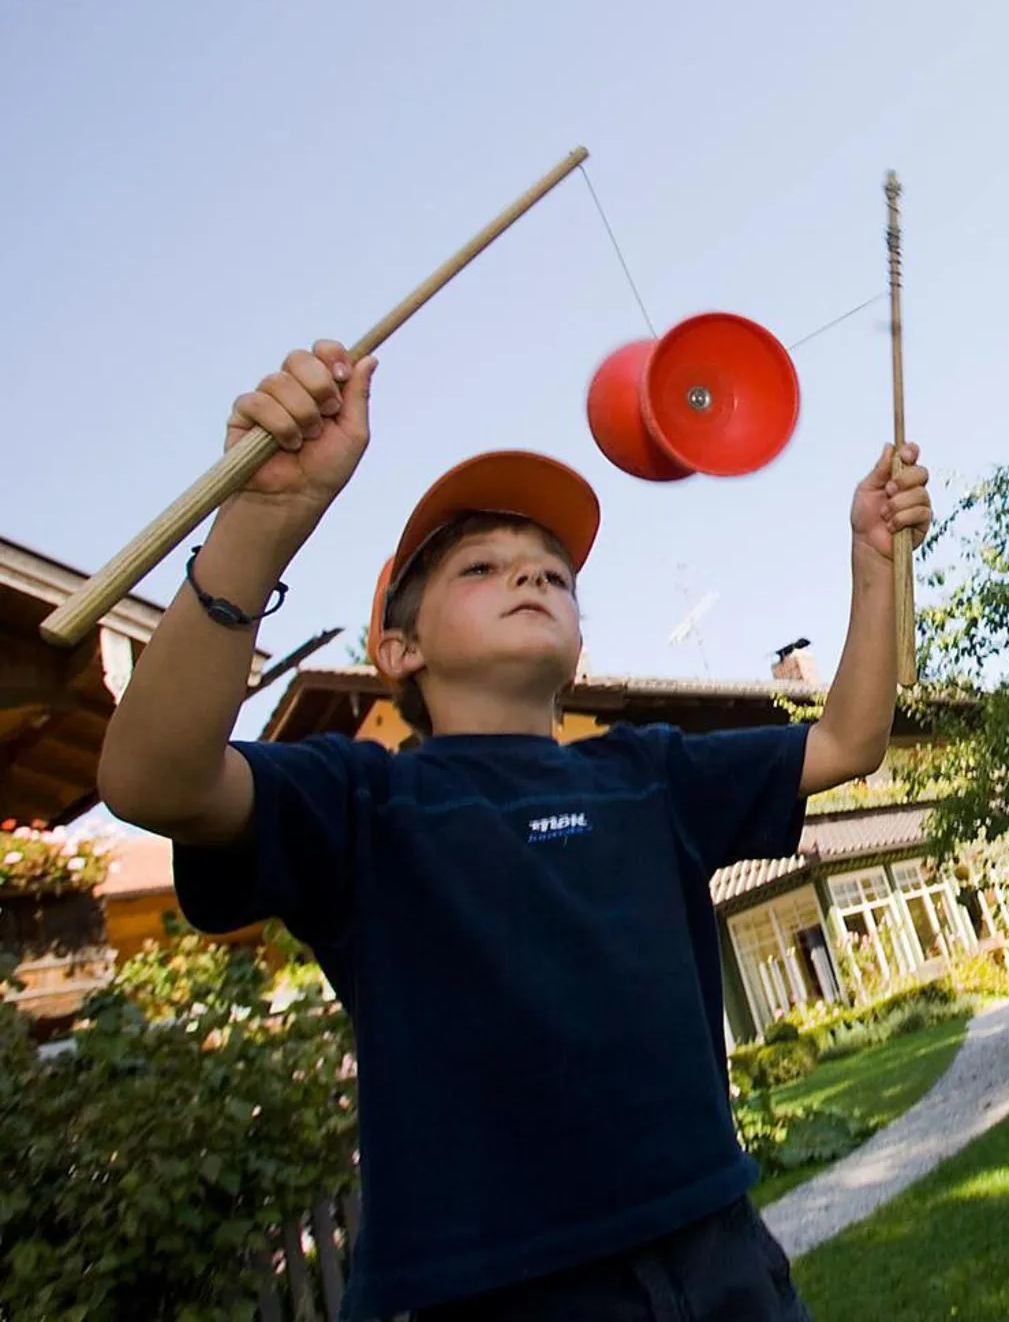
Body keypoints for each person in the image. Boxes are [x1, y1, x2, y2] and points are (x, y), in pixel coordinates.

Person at [96, 340, 932, 1321]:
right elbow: (152, 780)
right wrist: (263, 519)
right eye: (482, 567)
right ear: (396, 646)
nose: (532, 578)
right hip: (482, 1291)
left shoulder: (648, 772)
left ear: (576, 645)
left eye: (554, 573)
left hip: (716, 1256)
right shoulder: (360, 804)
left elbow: (845, 741)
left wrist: (873, 560)